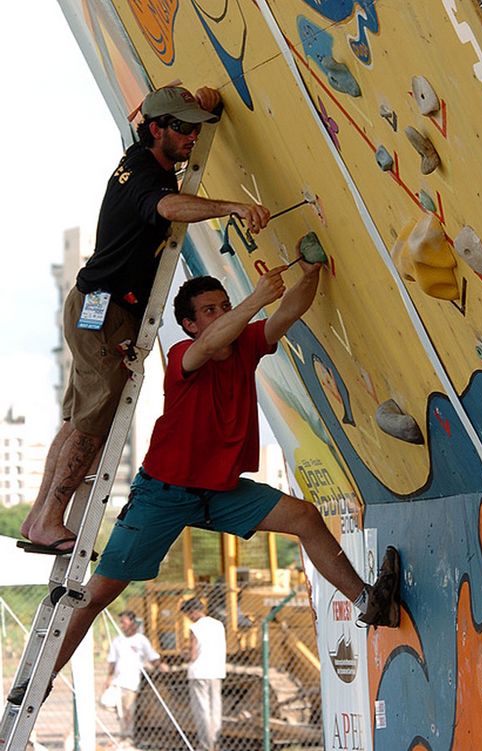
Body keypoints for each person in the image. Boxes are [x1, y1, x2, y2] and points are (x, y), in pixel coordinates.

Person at [8, 257, 400, 707]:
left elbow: (291, 310)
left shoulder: (249, 343)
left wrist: (309, 273)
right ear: (189, 325)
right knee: (97, 594)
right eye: (210, 310)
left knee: (305, 518)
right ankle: (40, 678)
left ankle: (367, 601)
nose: (220, 314)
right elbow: (217, 338)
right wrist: (254, 299)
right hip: (163, 494)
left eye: (224, 305)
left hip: (222, 491)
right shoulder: (182, 355)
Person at [19, 84, 270, 555]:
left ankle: (40, 518)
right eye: (183, 129)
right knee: (96, 416)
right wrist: (232, 206)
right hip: (106, 311)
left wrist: (202, 106)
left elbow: (176, 125)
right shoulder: (141, 178)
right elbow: (168, 207)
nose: (193, 137)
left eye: (195, 128)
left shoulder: (146, 156)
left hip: (97, 306)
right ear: (156, 130)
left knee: (79, 416)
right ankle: (50, 518)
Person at [102, 611, 160, 744]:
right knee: (106, 702)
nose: (122, 625)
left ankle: (127, 736)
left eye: (124, 622)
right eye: (121, 623)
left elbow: (152, 656)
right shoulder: (118, 641)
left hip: (132, 682)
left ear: (132, 623)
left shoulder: (141, 640)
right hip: (118, 681)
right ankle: (124, 733)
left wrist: (160, 665)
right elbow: (112, 660)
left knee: (128, 711)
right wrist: (109, 677)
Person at [180, 598, 226, 751]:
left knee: (202, 710)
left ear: (193, 612)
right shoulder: (218, 624)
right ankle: (215, 741)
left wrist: (183, 655)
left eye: (188, 614)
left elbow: (193, 655)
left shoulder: (195, 627)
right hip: (216, 670)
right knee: (215, 708)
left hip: (199, 671)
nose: (188, 617)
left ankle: (206, 745)